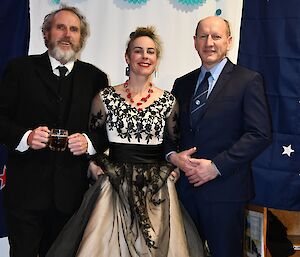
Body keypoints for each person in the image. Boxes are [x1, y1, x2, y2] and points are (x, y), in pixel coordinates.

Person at [46, 26, 204, 257]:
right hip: (113, 184)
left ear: (156, 59)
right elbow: (94, 139)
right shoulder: (105, 97)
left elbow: (173, 143)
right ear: (127, 57)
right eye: (138, 51)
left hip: (156, 189)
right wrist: (92, 163)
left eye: (150, 52)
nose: (144, 56)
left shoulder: (169, 101)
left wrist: (174, 167)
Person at [0, 5, 108, 257]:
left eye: (74, 29)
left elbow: (105, 130)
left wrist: (89, 142)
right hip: (24, 194)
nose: (67, 34)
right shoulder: (20, 70)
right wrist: (25, 137)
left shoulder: (96, 78)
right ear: (46, 34)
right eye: (60, 27)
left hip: (71, 198)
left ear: (81, 38)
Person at [167, 16, 272, 257]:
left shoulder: (248, 80)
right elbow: (169, 134)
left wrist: (216, 166)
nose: (209, 42)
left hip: (226, 192)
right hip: (185, 191)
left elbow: (259, 134)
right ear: (194, 42)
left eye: (216, 36)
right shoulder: (181, 84)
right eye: (203, 36)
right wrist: (173, 156)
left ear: (229, 41)